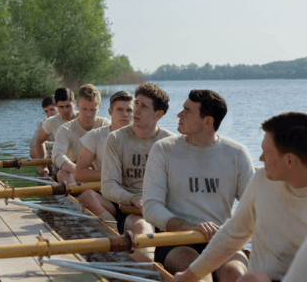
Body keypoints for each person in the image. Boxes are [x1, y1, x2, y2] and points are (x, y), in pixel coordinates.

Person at [171, 111, 307, 282]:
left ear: (289, 161)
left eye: (266, 152)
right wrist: (186, 277)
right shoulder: (262, 179)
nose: (260, 158)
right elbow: (231, 235)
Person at [143, 90, 254, 280]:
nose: (179, 114)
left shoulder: (237, 153)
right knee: (197, 274)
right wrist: (190, 228)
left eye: (187, 111)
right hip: (176, 241)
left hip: (220, 239)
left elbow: (253, 208)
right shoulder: (163, 149)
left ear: (208, 121)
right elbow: (151, 207)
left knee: (234, 273)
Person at [100, 83, 175, 239]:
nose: (136, 110)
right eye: (137, 104)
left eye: (144, 107)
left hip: (164, 210)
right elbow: (107, 186)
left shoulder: (171, 143)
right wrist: (134, 199)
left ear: (158, 114)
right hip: (131, 210)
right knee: (142, 228)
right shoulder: (116, 139)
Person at [75, 90, 134, 219]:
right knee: (87, 196)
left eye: (129, 110)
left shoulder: (144, 136)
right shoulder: (95, 136)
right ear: (110, 112)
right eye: (119, 110)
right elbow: (79, 174)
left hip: (135, 198)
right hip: (109, 199)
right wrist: (114, 175)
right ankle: (111, 226)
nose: (125, 114)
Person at [51, 84, 110, 184]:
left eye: (93, 109)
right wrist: (81, 172)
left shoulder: (106, 125)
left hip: (99, 174)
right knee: (62, 173)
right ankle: (82, 196)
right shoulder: (65, 129)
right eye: (84, 109)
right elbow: (57, 155)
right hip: (75, 174)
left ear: (99, 107)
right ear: (77, 105)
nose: (88, 114)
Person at [31, 87, 79, 176]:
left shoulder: (84, 118)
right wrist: (43, 166)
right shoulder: (50, 122)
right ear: (57, 105)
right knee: (62, 173)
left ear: (75, 103)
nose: (65, 111)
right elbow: (38, 141)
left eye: (68, 106)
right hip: (62, 164)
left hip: (83, 162)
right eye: (61, 107)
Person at [28, 94, 58, 160]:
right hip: (51, 159)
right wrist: (57, 144)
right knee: (33, 151)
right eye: (46, 111)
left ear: (59, 107)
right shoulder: (43, 123)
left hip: (68, 158)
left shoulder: (68, 121)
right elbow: (32, 143)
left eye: (52, 110)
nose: (49, 114)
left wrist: (42, 143)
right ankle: (43, 169)